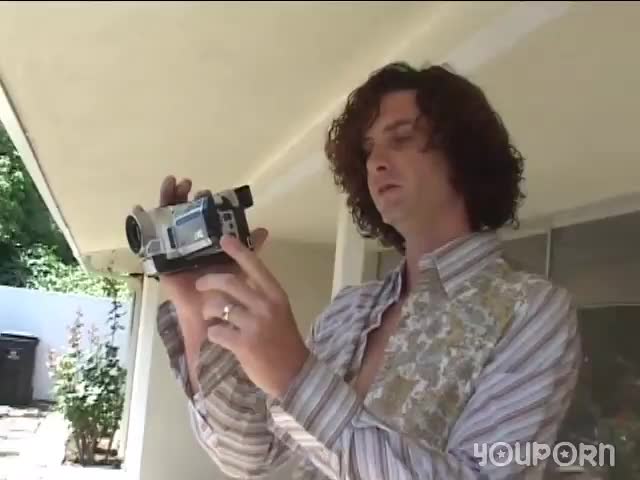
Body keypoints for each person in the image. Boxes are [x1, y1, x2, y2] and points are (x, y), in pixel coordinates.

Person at [155, 62, 581, 479]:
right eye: (367, 149)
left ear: (463, 152)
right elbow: (252, 457)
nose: (376, 161)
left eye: (401, 138)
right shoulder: (348, 309)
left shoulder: (531, 310)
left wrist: (297, 379)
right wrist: (195, 311)